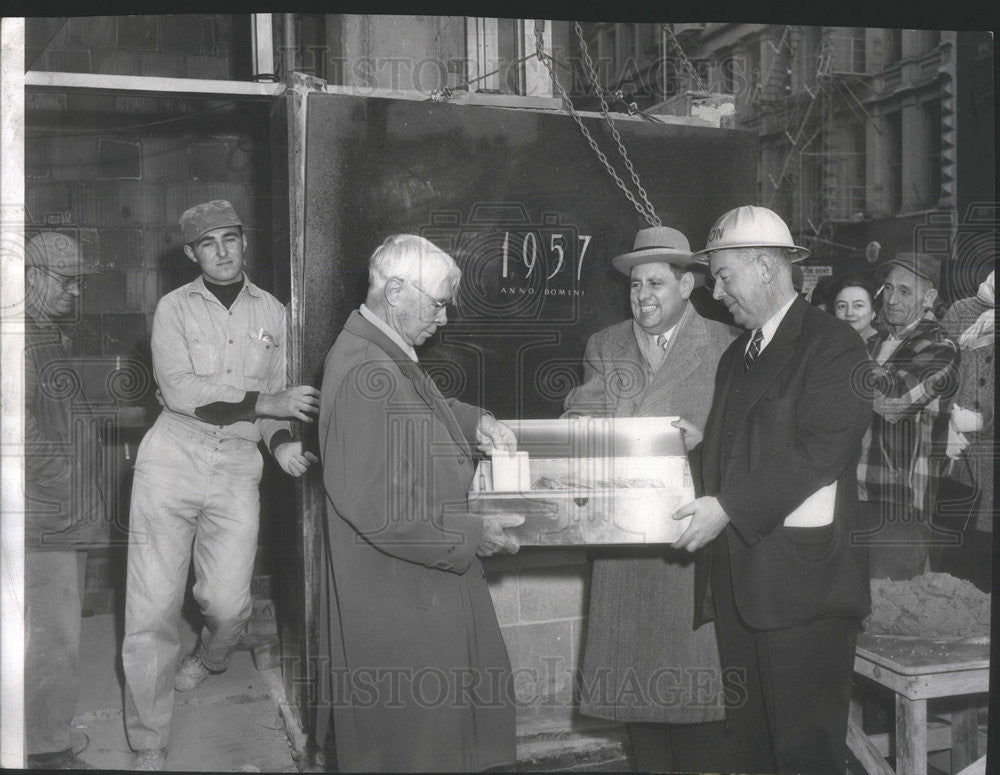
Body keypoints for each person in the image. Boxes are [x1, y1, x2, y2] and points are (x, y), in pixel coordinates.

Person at [122, 201, 321, 770]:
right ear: (192, 254)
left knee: (229, 605)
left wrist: (280, 441)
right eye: (209, 243)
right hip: (173, 459)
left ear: (243, 241)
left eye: (231, 238)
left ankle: (210, 657)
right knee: (152, 608)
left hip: (237, 465)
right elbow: (182, 390)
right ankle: (149, 739)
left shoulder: (276, 313)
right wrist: (268, 404)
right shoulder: (173, 308)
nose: (224, 251)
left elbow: (281, 400)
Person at [673, 206, 872, 774]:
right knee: (755, 747)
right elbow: (751, 442)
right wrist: (695, 447)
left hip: (803, 592)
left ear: (764, 266)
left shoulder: (833, 345)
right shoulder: (739, 353)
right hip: (742, 582)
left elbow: (821, 450)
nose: (715, 291)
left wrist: (729, 507)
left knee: (804, 752)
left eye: (723, 275)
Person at [316, 234, 520, 772]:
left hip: (415, 588)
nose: (445, 318)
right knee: (417, 747)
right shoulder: (367, 368)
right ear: (396, 290)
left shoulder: (380, 349)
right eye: (438, 303)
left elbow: (417, 407)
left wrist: (477, 422)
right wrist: (475, 535)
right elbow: (380, 506)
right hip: (402, 601)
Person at [562, 226, 737, 772]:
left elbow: (745, 441)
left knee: (699, 697)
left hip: (695, 537)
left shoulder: (727, 344)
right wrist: (575, 429)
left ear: (688, 286)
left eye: (656, 283)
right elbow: (584, 412)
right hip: (627, 541)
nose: (642, 295)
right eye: (635, 284)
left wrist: (703, 443)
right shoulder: (605, 345)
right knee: (638, 694)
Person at [24, 232, 107, 769]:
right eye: (65, 280)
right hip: (46, 514)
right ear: (30, 277)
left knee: (53, 632)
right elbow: (14, 430)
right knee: (53, 638)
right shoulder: (17, 337)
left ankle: (37, 738)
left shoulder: (44, 332)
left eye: (80, 280)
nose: (76, 291)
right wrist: (64, 475)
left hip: (59, 507)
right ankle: (47, 752)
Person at [855, 252, 960, 581]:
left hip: (900, 500)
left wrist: (844, 364)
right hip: (852, 491)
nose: (891, 299)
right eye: (887, 288)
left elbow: (893, 403)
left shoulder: (940, 347)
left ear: (929, 299)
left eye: (904, 291)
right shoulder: (875, 344)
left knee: (890, 609)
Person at [933, 270, 994, 591]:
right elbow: (936, 370)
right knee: (957, 564)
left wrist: (986, 421)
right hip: (960, 455)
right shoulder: (962, 311)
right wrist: (947, 419)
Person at [831, 272, 881, 344]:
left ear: (873, 311)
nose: (849, 313)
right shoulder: (829, 345)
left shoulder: (886, 347)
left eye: (858, 306)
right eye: (842, 306)